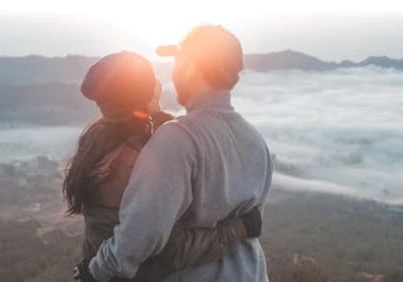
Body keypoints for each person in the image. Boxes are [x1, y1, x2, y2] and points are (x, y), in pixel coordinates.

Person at [85, 25, 274, 282]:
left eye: (177, 63)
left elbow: (141, 236)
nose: (172, 75)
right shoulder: (256, 141)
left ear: (191, 68)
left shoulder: (176, 140)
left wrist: (95, 271)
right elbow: (253, 225)